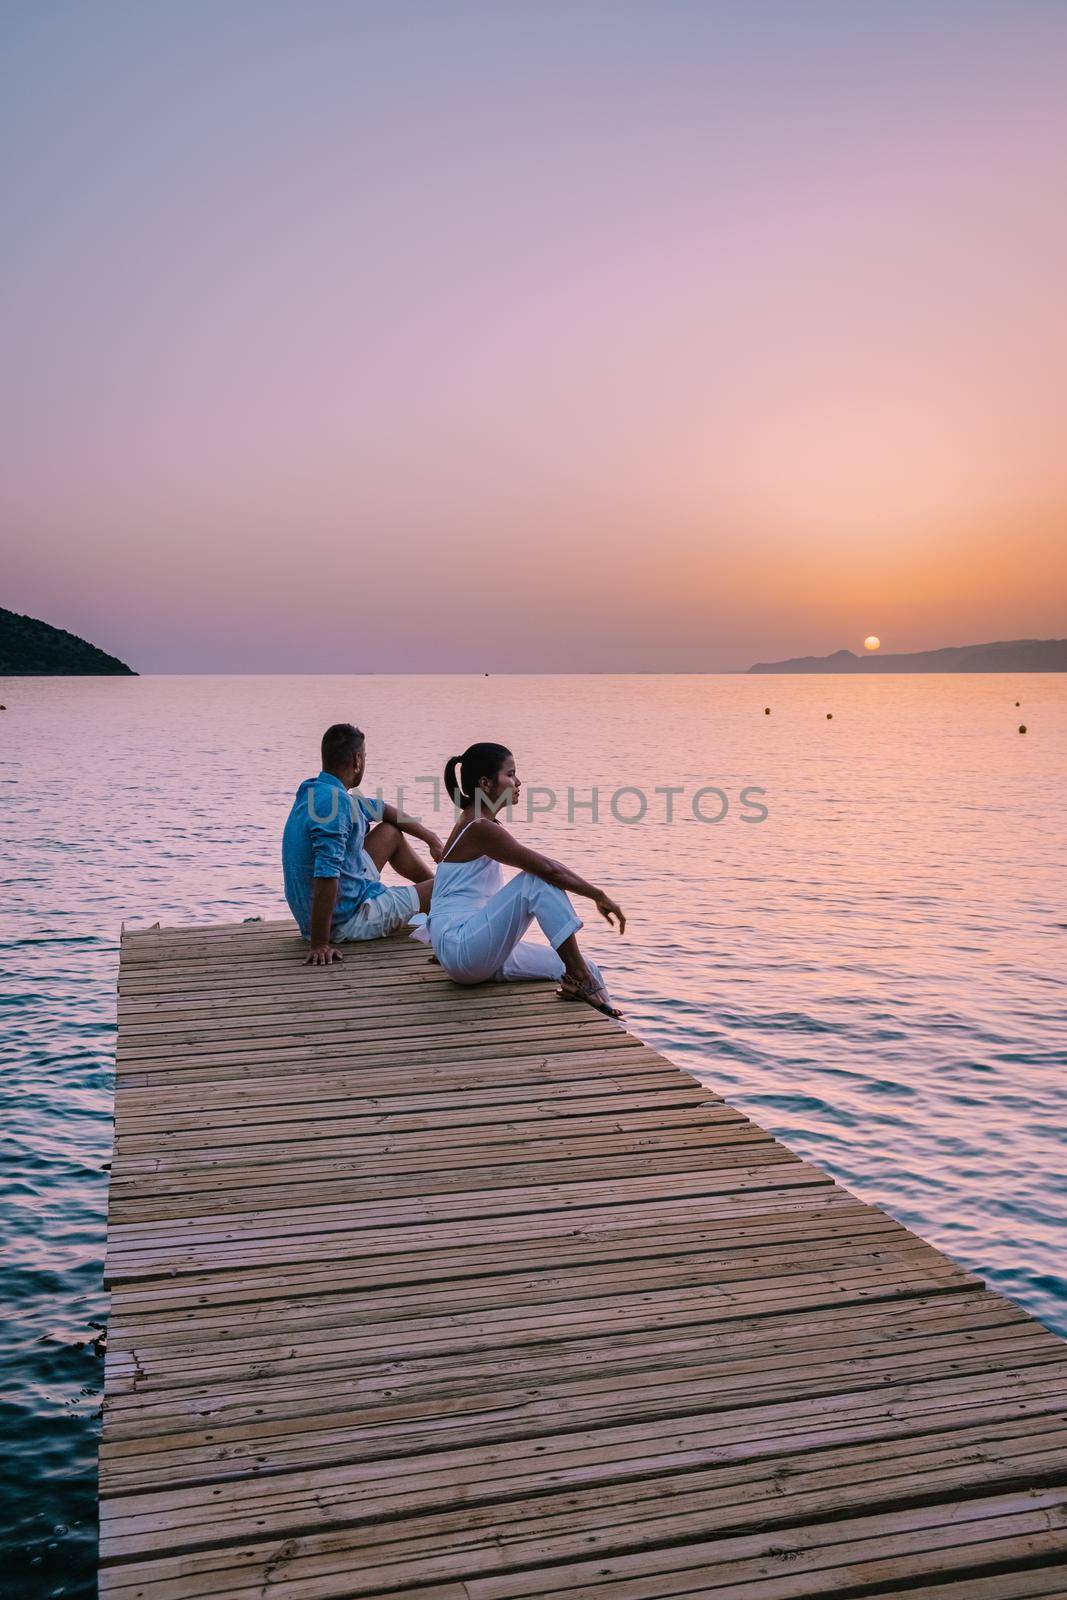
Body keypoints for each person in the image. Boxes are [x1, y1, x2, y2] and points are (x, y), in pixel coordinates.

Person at [427, 742, 625, 1016]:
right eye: (510, 774)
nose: (518, 782)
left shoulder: (479, 823)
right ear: (485, 783)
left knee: (588, 965)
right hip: (462, 950)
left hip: (473, 950)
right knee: (537, 880)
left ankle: (602, 1011)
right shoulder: (478, 827)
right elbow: (548, 869)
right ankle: (580, 978)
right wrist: (597, 895)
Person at [283, 723, 444, 966]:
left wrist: (431, 838)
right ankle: (437, 897)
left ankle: (431, 899)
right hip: (346, 920)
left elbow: (384, 810)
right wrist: (320, 943)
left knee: (390, 832)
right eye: (365, 756)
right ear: (357, 760)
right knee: (450, 883)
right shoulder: (338, 806)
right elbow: (326, 875)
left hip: (326, 906)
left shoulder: (317, 790)